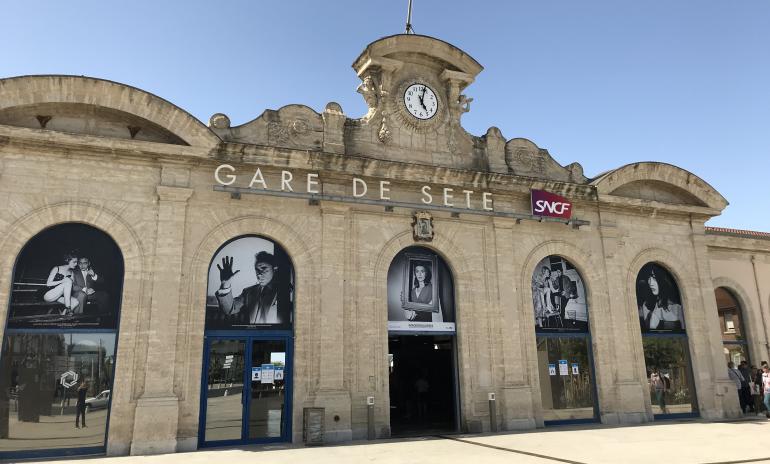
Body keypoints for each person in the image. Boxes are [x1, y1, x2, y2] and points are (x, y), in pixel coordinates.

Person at [215, 252, 290, 325]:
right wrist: (225, 285)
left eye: (264, 268)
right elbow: (229, 310)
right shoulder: (248, 292)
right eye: (257, 270)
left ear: (275, 269)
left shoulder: (285, 290)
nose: (259, 275)